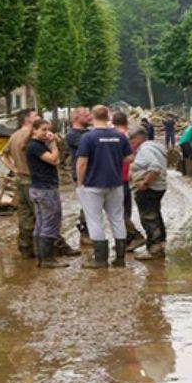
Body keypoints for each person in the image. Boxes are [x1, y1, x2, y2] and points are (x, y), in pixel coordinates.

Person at [76, 105, 133, 268]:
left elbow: (82, 162)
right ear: (108, 116)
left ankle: (100, 259)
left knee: (95, 220)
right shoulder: (119, 136)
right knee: (117, 218)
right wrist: (114, 161)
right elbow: (129, 157)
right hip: (115, 184)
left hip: (93, 184)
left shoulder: (88, 137)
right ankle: (120, 258)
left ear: (93, 117)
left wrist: (80, 183)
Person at [25, 119, 67, 268]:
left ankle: (41, 257)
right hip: (45, 189)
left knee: (41, 223)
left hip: (38, 188)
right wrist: (54, 144)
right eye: (43, 129)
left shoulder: (36, 145)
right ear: (34, 130)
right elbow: (54, 160)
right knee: (50, 222)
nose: (47, 133)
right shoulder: (35, 146)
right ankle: (48, 259)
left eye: (48, 129)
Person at [0, 109, 39, 259]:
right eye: (35, 116)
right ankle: (45, 249)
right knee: (40, 214)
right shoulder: (32, 136)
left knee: (25, 214)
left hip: (20, 179)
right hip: (33, 179)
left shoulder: (14, 136)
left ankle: (25, 247)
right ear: (27, 119)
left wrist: (14, 169)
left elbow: (2, 155)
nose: (39, 117)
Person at [128, 127, 168, 259]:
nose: (130, 143)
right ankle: (160, 243)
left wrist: (145, 183)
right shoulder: (155, 147)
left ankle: (154, 249)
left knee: (149, 218)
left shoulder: (145, 150)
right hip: (158, 187)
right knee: (156, 215)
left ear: (138, 138)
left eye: (131, 140)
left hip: (149, 189)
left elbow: (155, 167)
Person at [112, 111, 147, 251]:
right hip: (126, 177)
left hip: (116, 178)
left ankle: (134, 236)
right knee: (125, 210)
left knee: (117, 212)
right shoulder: (128, 137)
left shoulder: (117, 138)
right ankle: (125, 240)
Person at [66, 107, 93, 242]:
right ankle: (85, 232)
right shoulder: (72, 134)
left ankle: (90, 230)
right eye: (86, 115)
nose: (90, 117)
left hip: (93, 172)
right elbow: (92, 147)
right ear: (76, 117)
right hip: (82, 173)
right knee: (87, 203)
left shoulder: (89, 132)